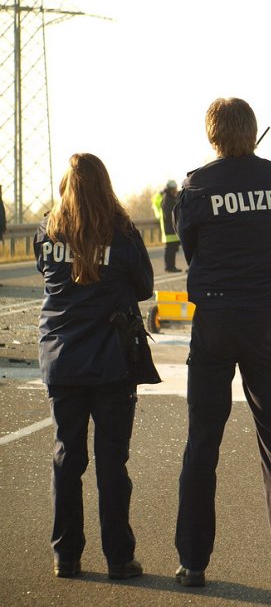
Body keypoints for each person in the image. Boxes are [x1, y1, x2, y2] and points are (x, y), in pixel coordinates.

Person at [172, 97, 271, 589]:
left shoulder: (195, 185)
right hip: (266, 320)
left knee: (202, 442)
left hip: (213, 319)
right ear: (253, 132)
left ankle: (193, 563)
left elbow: (190, 248)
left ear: (212, 135)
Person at [34, 153, 159, 580]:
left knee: (66, 458)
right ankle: (119, 558)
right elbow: (144, 287)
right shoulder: (122, 234)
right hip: (111, 361)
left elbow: (48, 273)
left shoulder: (47, 231)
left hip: (62, 358)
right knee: (111, 462)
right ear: (106, 186)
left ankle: (65, 556)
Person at [152, 180, 182, 272]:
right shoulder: (167, 199)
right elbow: (168, 214)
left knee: (172, 248)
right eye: (174, 189)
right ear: (170, 189)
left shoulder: (170, 197)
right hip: (169, 227)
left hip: (171, 227)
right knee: (170, 248)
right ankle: (169, 267)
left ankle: (171, 266)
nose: (175, 190)